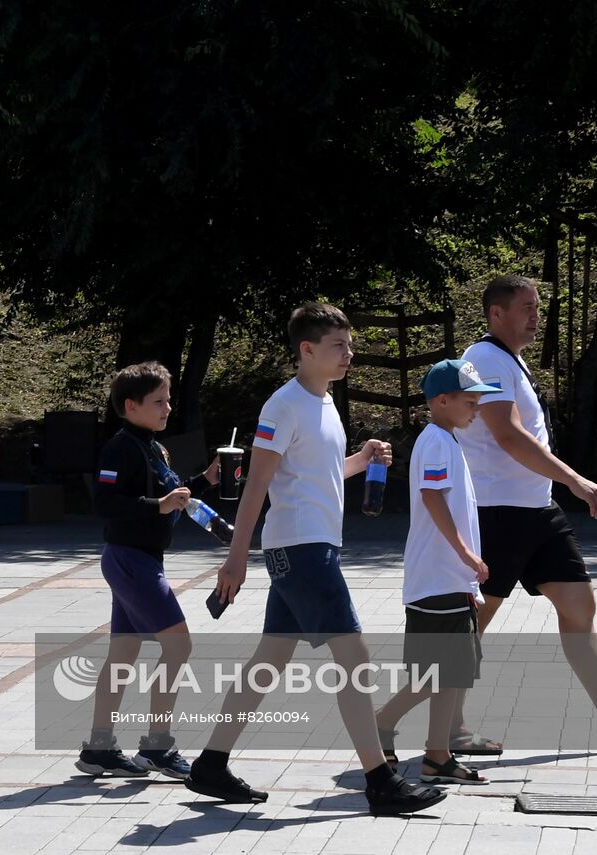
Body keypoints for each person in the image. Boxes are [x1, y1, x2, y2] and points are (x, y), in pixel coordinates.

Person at [186, 303, 446, 816]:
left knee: (268, 662)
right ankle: (381, 782)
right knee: (355, 660)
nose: (349, 354)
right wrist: (236, 559)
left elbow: (318, 473)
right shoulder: (282, 405)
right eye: (338, 346)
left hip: (312, 545)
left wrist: (363, 459)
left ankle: (210, 765)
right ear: (307, 350)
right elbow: (257, 483)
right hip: (300, 549)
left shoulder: (324, 403)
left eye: (349, 345)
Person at [452, 275, 597, 754]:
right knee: (474, 618)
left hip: (536, 508)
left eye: (537, 306)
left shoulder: (510, 360)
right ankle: (442, 726)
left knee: (580, 606)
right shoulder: (484, 359)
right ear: (497, 313)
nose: (536, 315)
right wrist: (574, 479)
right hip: (498, 511)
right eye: (526, 307)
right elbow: (509, 436)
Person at [76, 361, 219, 780]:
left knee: (124, 653)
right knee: (179, 646)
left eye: (169, 399)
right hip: (130, 559)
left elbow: (172, 495)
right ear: (130, 405)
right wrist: (155, 506)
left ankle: (99, 748)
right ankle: (157, 746)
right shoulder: (121, 447)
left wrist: (206, 480)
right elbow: (104, 503)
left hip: (141, 559)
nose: (168, 408)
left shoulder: (153, 446)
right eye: (158, 401)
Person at [372, 359, 501, 785]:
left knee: (455, 670)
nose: (476, 409)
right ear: (442, 401)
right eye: (470, 401)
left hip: (450, 577)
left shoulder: (446, 438)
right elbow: (431, 496)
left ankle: (437, 756)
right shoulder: (436, 442)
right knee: (437, 673)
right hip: (438, 576)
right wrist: (467, 554)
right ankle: (381, 723)